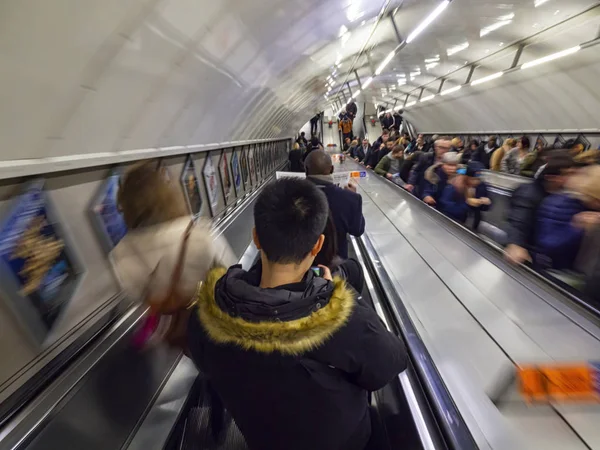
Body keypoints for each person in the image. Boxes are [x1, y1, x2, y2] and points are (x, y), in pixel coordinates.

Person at [187, 178, 408, 450]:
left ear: (256, 237)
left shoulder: (207, 316)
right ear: (317, 246)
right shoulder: (345, 323)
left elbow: (204, 361)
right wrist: (340, 294)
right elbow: (390, 363)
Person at [111, 161, 236, 346]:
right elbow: (232, 272)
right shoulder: (198, 233)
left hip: (178, 330)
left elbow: (137, 293)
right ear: (168, 194)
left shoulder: (121, 254)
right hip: (215, 321)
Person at [504, 157, 575, 265]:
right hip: (528, 254)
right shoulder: (529, 193)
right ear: (551, 177)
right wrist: (515, 244)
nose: (570, 179)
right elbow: (519, 220)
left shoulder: (562, 195)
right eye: (566, 175)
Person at [535, 165, 600, 270]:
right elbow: (547, 245)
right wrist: (577, 227)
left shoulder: (590, 207)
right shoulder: (559, 205)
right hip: (555, 269)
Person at [305, 151, 365, 259]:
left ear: (306, 170)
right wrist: (353, 196)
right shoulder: (351, 199)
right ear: (332, 169)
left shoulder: (291, 197)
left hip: (301, 266)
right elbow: (357, 230)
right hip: (335, 265)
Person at [421, 137, 454, 205]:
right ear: (435, 147)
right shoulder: (434, 171)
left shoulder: (460, 171)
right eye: (441, 147)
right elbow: (429, 185)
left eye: (447, 148)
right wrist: (426, 195)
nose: (444, 150)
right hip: (439, 205)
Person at [465, 161, 492, 231]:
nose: (476, 182)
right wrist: (467, 202)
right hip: (458, 219)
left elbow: (485, 208)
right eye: (473, 179)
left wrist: (486, 202)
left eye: (478, 179)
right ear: (467, 177)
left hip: (474, 221)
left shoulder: (482, 186)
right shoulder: (458, 185)